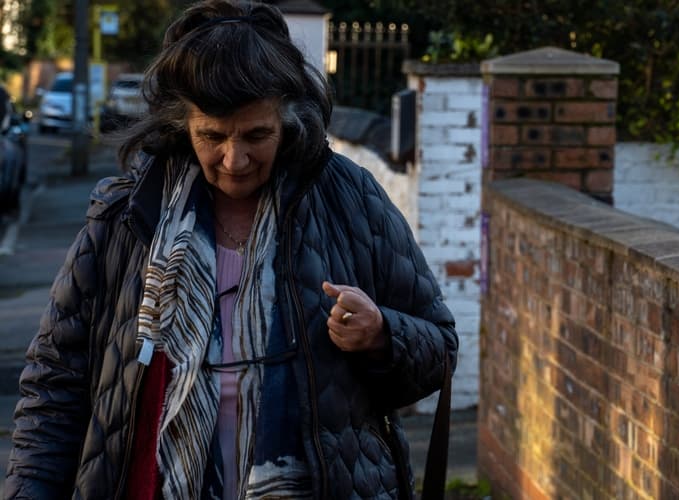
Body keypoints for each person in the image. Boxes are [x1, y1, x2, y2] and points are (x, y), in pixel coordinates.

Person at [3, 1, 458, 498]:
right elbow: (54, 382)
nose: (235, 159)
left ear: (288, 119)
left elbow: (439, 346)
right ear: (183, 126)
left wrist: (382, 334)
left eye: (256, 135)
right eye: (212, 136)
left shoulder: (349, 199)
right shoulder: (125, 218)